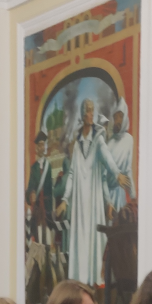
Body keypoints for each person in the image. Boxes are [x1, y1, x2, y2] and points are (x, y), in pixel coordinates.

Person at [58, 98, 118, 287]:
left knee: (94, 244)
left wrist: (117, 173)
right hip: (79, 205)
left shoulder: (99, 139)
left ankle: (95, 286)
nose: (90, 114)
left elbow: (107, 161)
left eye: (92, 110)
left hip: (93, 203)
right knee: (80, 243)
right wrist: (65, 200)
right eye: (87, 111)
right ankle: (80, 284)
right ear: (82, 114)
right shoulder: (77, 144)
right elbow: (72, 174)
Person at [105, 98, 135, 218]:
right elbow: (104, 176)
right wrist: (108, 201)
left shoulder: (129, 140)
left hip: (120, 196)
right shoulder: (109, 144)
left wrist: (133, 197)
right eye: (115, 117)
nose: (117, 120)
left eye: (120, 117)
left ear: (125, 118)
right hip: (108, 197)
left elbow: (128, 170)